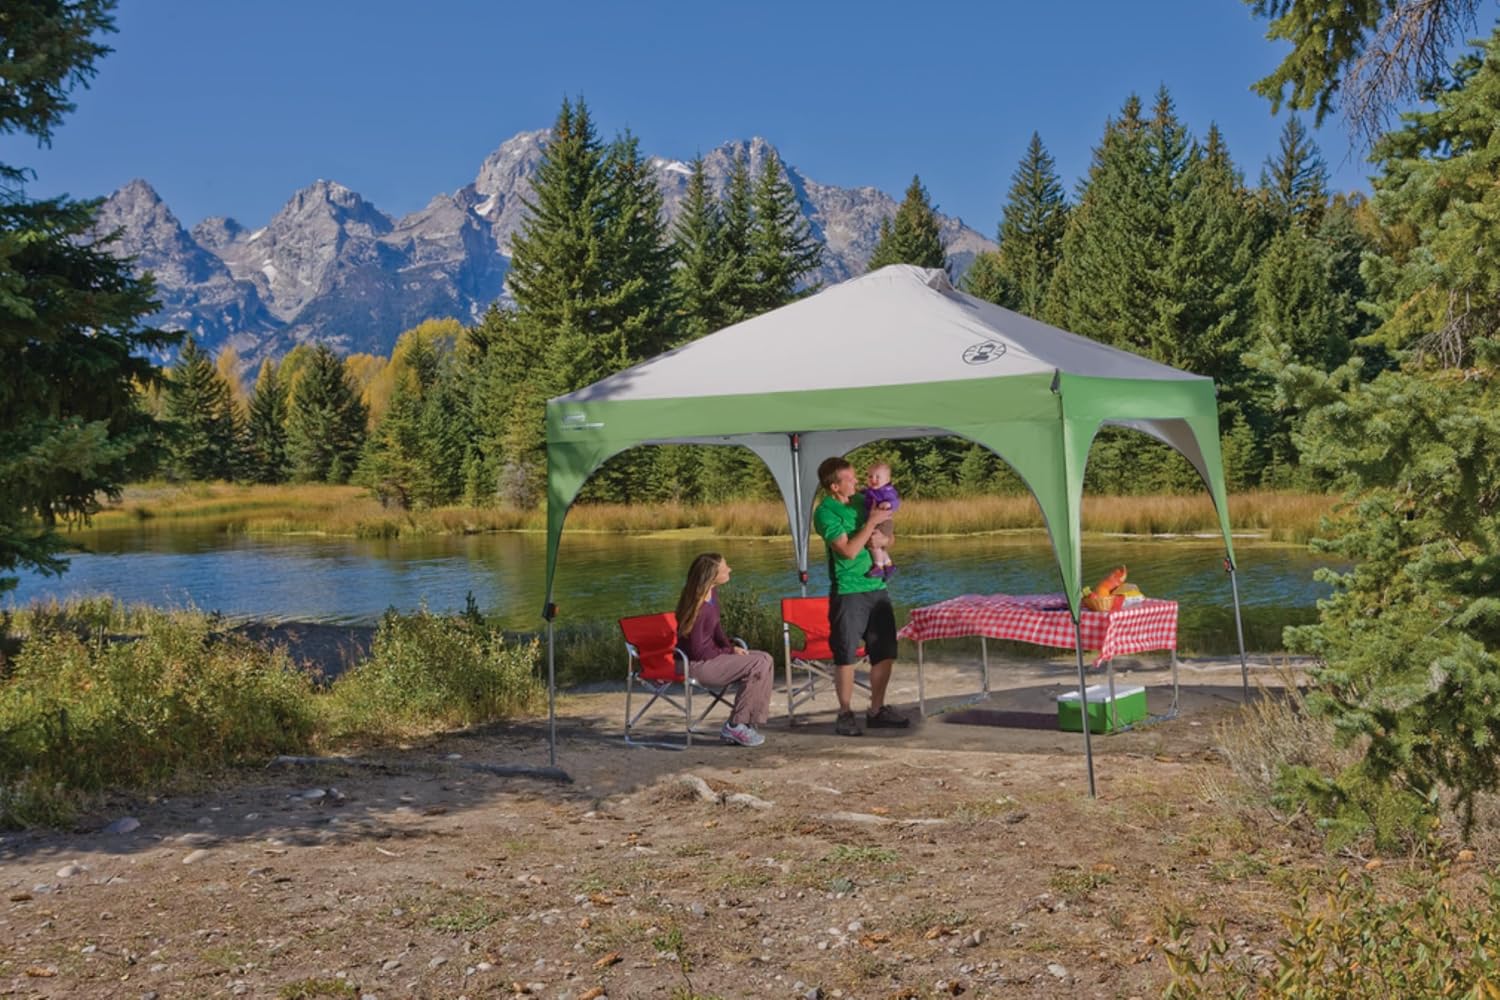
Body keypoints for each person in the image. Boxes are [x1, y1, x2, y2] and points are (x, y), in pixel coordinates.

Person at [813, 456, 909, 737]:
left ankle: (876, 710)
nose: (857, 481)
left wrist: (884, 540)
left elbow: (888, 535)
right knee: (845, 654)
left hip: (876, 588)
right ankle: (845, 713)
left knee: (885, 652)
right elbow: (848, 551)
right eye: (850, 479)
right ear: (834, 486)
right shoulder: (826, 513)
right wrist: (871, 525)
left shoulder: (861, 501)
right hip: (848, 592)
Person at [674, 552, 775, 747]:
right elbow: (698, 651)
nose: (730, 569)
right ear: (712, 575)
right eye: (725, 567)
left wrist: (730, 647)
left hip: (710, 658)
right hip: (697, 665)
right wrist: (727, 652)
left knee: (766, 658)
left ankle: (748, 721)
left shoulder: (711, 595)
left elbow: (717, 630)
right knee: (758, 662)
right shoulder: (699, 608)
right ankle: (736, 725)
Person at [863, 461, 900, 579]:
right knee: (879, 545)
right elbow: (867, 495)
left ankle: (878, 566)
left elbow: (896, 502)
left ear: (887, 479)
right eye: (870, 476)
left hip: (884, 521)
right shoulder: (872, 490)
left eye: (878, 477)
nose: (873, 479)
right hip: (877, 520)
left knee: (874, 543)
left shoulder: (887, 491)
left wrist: (888, 504)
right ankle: (888, 564)